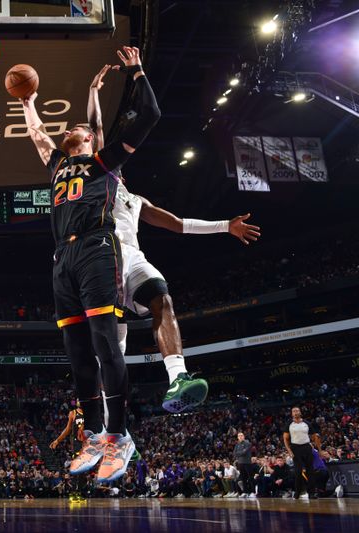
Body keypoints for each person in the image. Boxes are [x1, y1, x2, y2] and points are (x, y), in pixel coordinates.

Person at [86, 64, 261, 413]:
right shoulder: (94, 177)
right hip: (100, 260)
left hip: (131, 256)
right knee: (112, 346)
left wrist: (225, 225)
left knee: (161, 299)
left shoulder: (135, 199)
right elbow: (96, 129)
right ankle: (111, 423)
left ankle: (177, 377)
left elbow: (178, 224)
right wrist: (93, 94)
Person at [22, 46, 160, 482]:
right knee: (77, 351)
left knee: (104, 343)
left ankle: (120, 436)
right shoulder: (58, 164)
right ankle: (96, 433)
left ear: (89, 139)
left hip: (99, 249)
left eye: (80, 128)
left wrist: (136, 72)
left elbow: (150, 114)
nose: (73, 129)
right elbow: (37, 134)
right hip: (63, 256)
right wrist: (27, 104)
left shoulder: (104, 163)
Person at [49, 400, 88, 501]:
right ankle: (73, 493)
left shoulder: (90, 413)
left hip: (87, 444)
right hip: (77, 443)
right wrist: (57, 440)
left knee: (83, 471)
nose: (80, 400)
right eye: (78, 399)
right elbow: (67, 430)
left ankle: (79, 492)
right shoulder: (73, 413)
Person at [284, 406, 319, 499]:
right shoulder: (289, 424)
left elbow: (314, 436)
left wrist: (319, 449)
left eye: (297, 411)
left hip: (307, 447)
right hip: (295, 448)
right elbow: (285, 439)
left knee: (310, 470)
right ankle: (298, 491)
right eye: (294, 411)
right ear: (292, 414)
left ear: (300, 412)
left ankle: (311, 492)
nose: (295, 412)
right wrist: (289, 451)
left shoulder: (306, 423)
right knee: (298, 471)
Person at [233, 432, 254, 497]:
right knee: (243, 478)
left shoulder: (248, 443)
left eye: (242, 435)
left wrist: (239, 453)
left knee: (250, 478)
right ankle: (245, 492)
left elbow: (244, 452)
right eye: (239, 436)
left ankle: (252, 492)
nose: (240, 437)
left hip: (247, 463)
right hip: (240, 463)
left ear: (244, 436)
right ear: (237, 437)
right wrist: (240, 453)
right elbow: (234, 453)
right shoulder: (237, 444)